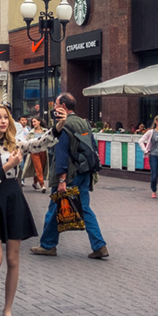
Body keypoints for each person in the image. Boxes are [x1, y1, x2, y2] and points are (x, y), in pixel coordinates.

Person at [0, 102, 61, 316]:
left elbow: (39, 142)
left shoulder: (16, 144)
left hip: (13, 199)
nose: (3, 121)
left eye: (6, 118)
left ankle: (8, 309)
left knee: (12, 259)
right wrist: (7, 166)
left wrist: (59, 127)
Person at [31, 92, 108, 260]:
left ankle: (48, 245)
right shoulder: (84, 123)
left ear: (63, 107)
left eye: (56, 105)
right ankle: (99, 245)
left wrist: (61, 179)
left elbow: (61, 154)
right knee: (85, 208)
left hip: (69, 174)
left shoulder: (63, 126)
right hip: (84, 172)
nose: (54, 108)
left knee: (54, 209)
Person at [138, 115, 158, 200]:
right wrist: (145, 150)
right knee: (154, 175)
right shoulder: (151, 132)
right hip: (153, 156)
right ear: (156, 122)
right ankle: (154, 190)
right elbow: (140, 141)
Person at [27, 117, 49, 191]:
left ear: (39, 122)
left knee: (41, 168)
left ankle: (35, 182)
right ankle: (42, 185)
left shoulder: (45, 131)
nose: (34, 123)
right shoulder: (31, 132)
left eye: (35, 121)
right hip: (34, 152)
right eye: (32, 122)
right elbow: (27, 142)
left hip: (43, 151)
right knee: (38, 168)